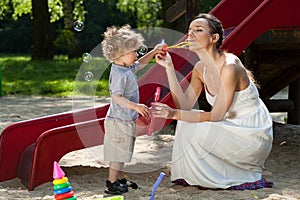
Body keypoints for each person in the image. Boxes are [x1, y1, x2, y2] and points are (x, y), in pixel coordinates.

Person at [152, 13, 273, 190]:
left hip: (251, 133)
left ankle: (225, 174)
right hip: (229, 126)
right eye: (189, 30)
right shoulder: (200, 68)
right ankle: (196, 176)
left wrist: (173, 114)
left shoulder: (230, 66)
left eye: (198, 30)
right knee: (186, 120)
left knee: (191, 121)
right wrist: (169, 68)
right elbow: (184, 106)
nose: (190, 34)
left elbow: (216, 116)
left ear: (214, 38)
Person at [101, 24, 165, 194]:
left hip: (125, 120)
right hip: (118, 122)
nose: (137, 55)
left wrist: (154, 52)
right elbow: (116, 97)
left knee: (122, 152)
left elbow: (140, 64)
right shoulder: (119, 74)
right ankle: (111, 183)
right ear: (121, 55)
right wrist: (135, 106)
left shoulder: (126, 67)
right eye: (133, 52)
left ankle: (120, 179)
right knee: (116, 154)